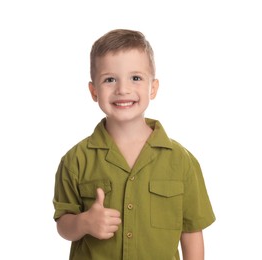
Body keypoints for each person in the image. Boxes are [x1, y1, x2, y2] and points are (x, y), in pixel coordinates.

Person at [53, 29, 215, 260]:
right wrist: (83, 223)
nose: (123, 89)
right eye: (110, 79)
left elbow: (191, 232)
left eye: (136, 78)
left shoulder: (182, 161)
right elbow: (63, 224)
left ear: (153, 87)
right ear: (93, 91)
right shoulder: (75, 160)